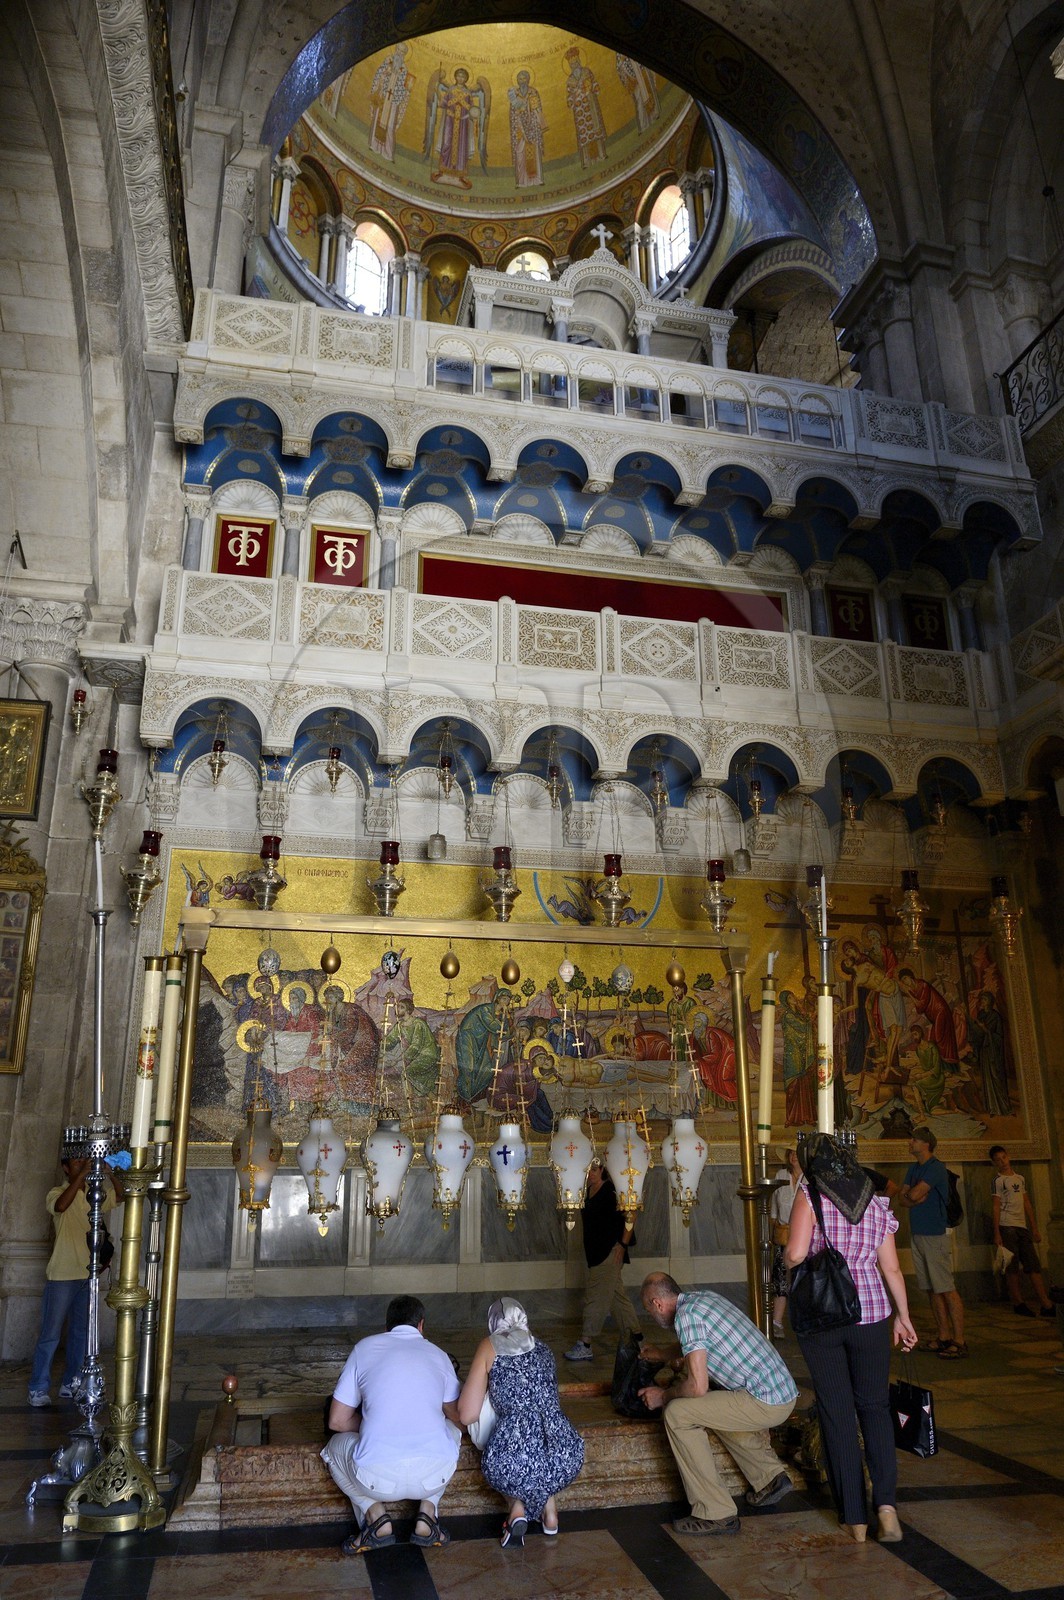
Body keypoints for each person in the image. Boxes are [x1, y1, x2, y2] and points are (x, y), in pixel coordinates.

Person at [784, 1134, 918, 1543]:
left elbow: (795, 1254)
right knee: (875, 1408)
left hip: (824, 1315)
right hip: (873, 1313)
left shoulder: (810, 1196)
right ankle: (887, 1508)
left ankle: (855, 1518)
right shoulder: (875, 1203)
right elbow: (891, 1268)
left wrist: (789, 1257)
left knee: (837, 1412)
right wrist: (903, 1317)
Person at [637, 1272, 797, 1537]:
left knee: (678, 1413)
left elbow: (697, 1387)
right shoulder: (702, 1299)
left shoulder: (686, 1317)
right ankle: (769, 1477)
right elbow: (696, 1343)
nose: (651, 1315)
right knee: (711, 1408)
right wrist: (662, 1354)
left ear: (657, 1303)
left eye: (648, 1310)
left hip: (767, 1402)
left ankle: (715, 1512)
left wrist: (662, 1396)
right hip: (781, 1393)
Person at [321, 1294, 461, 1555]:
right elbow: (457, 1416)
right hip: (433, 1477)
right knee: (451, 1431)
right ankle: (427, 1513)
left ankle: (376, 1516)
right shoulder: (439, 1355)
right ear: (421, 1325)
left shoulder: (364, 1348)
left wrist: (372, 1425)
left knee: (332, 1450)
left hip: (374, 1479)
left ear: (387, 1327)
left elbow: (337, 1421)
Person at [457, 1297, 584, 1546]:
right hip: (566, 1454)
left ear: (493, 1323)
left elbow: (467, 1415)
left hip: (514, 1455)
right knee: (539, 1463)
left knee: (511, 1460)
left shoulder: (489, 1346)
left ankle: (516, 1508)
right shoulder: (544, 1349)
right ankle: (550, 1512)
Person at [28, 1152, 121, 1407]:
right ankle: (38, 1387)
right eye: (77, 1162)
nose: (82, 1165)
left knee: (81, 1333)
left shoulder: (94, 1194)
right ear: (66, 1168)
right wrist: (82, 1177)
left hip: (87, 1274)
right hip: (61, 1274)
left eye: (84, 1161)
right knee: (50, 1334)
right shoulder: (57, 1192)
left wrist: (111, 1174)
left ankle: (71, 1382)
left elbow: (120, 1197)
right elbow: (60, 1207)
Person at [896, 1125, 966, 1359]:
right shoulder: (913, 1168)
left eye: (914, 1140)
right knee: (931, 1289)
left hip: (935, 1233)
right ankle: (943, 1336)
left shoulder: (936, 1168)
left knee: (945, 1287)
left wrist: (912, 1197)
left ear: (926, 1144)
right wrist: (912, 1198)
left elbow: (913, 1195)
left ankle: (959, 1340)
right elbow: (903, 1199)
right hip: (918, 1233)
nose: (910, 1143)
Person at [564, 1159, 640, 1361]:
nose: (590, 1173)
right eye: (588, 1169)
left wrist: (622, 1245)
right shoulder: (588, 1190)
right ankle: (636, 1338)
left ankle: (586, 1343)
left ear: (603, 1170)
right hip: (595, 1252)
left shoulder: (612, 1191)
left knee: (595, 1297)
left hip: (609, 1252)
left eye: (594, 1170)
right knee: (617, 1298)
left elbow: (631, 1215)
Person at [989, 1145, 1055, 1318]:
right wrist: (997, 1232)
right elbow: (996, 1206)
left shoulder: (1020, 1178)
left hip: (1022, 1226)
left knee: (1032, 1264)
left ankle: (1046, 1303)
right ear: (995, 1163)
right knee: (1012, 1267)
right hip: (1007, 1226)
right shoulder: (998, 1181)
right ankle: (1018, 1302)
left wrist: (1034, 1227)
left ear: (1008, 1157)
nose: (1003, 1162)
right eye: (998, 1160)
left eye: (1004, 1157)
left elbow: (1026, 1202)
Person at [769, 1148, 801, 1338]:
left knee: (803, 1278)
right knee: (780, 1278)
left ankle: (804, 1321)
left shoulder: (810, 1177)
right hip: (783, 1234)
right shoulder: (781, 1175)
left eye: (797, 1152)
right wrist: (773, 1227)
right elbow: (774, 1203)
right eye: (791, 1152)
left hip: (805, 1236)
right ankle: (776, 1322)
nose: (794, 1155)